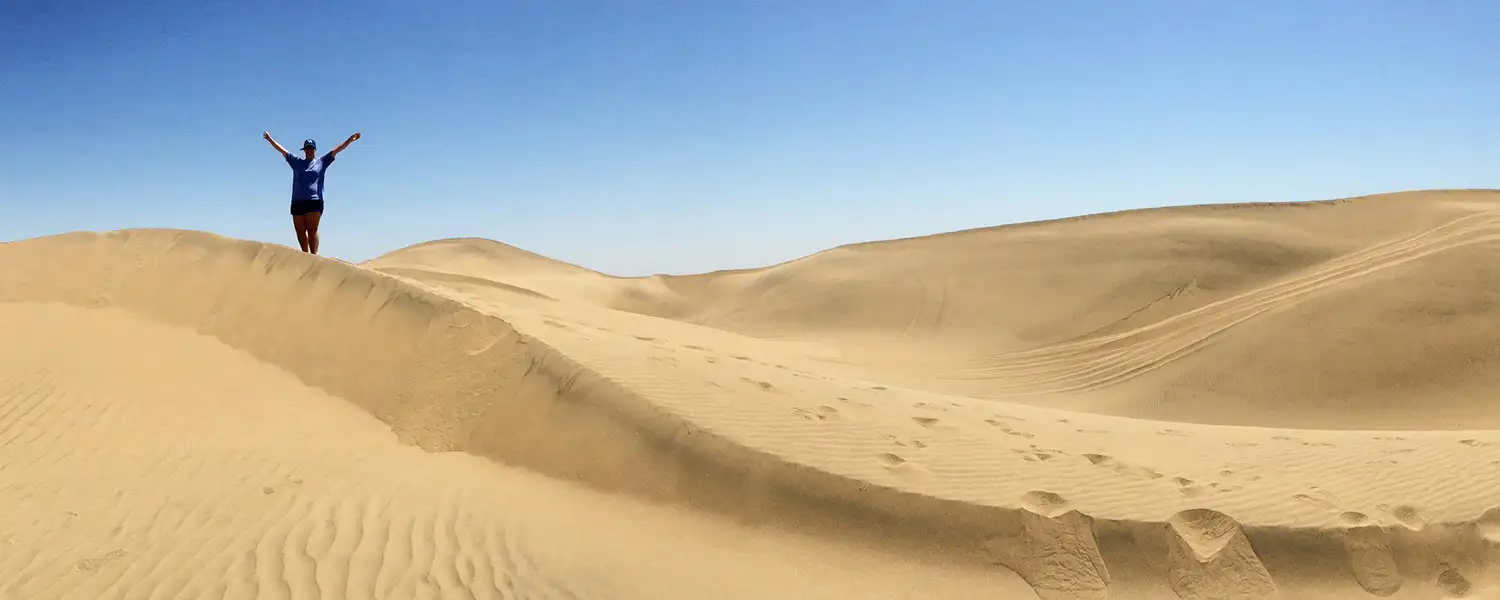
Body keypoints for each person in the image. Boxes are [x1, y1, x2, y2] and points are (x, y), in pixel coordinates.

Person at [262, 131, 361, 254]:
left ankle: (313, 257)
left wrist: (350, 140)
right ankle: (305, 255)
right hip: (297, 201)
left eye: (311, 148)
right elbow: (282, 150)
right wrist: (270, 139)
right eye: (307, 148)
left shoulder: (322, 162)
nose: (309, 150)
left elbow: (337, 150)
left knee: (312, 229)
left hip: (314, 201)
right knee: (300, 231)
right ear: (304, 150)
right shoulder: (296, 162)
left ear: (315, 150)